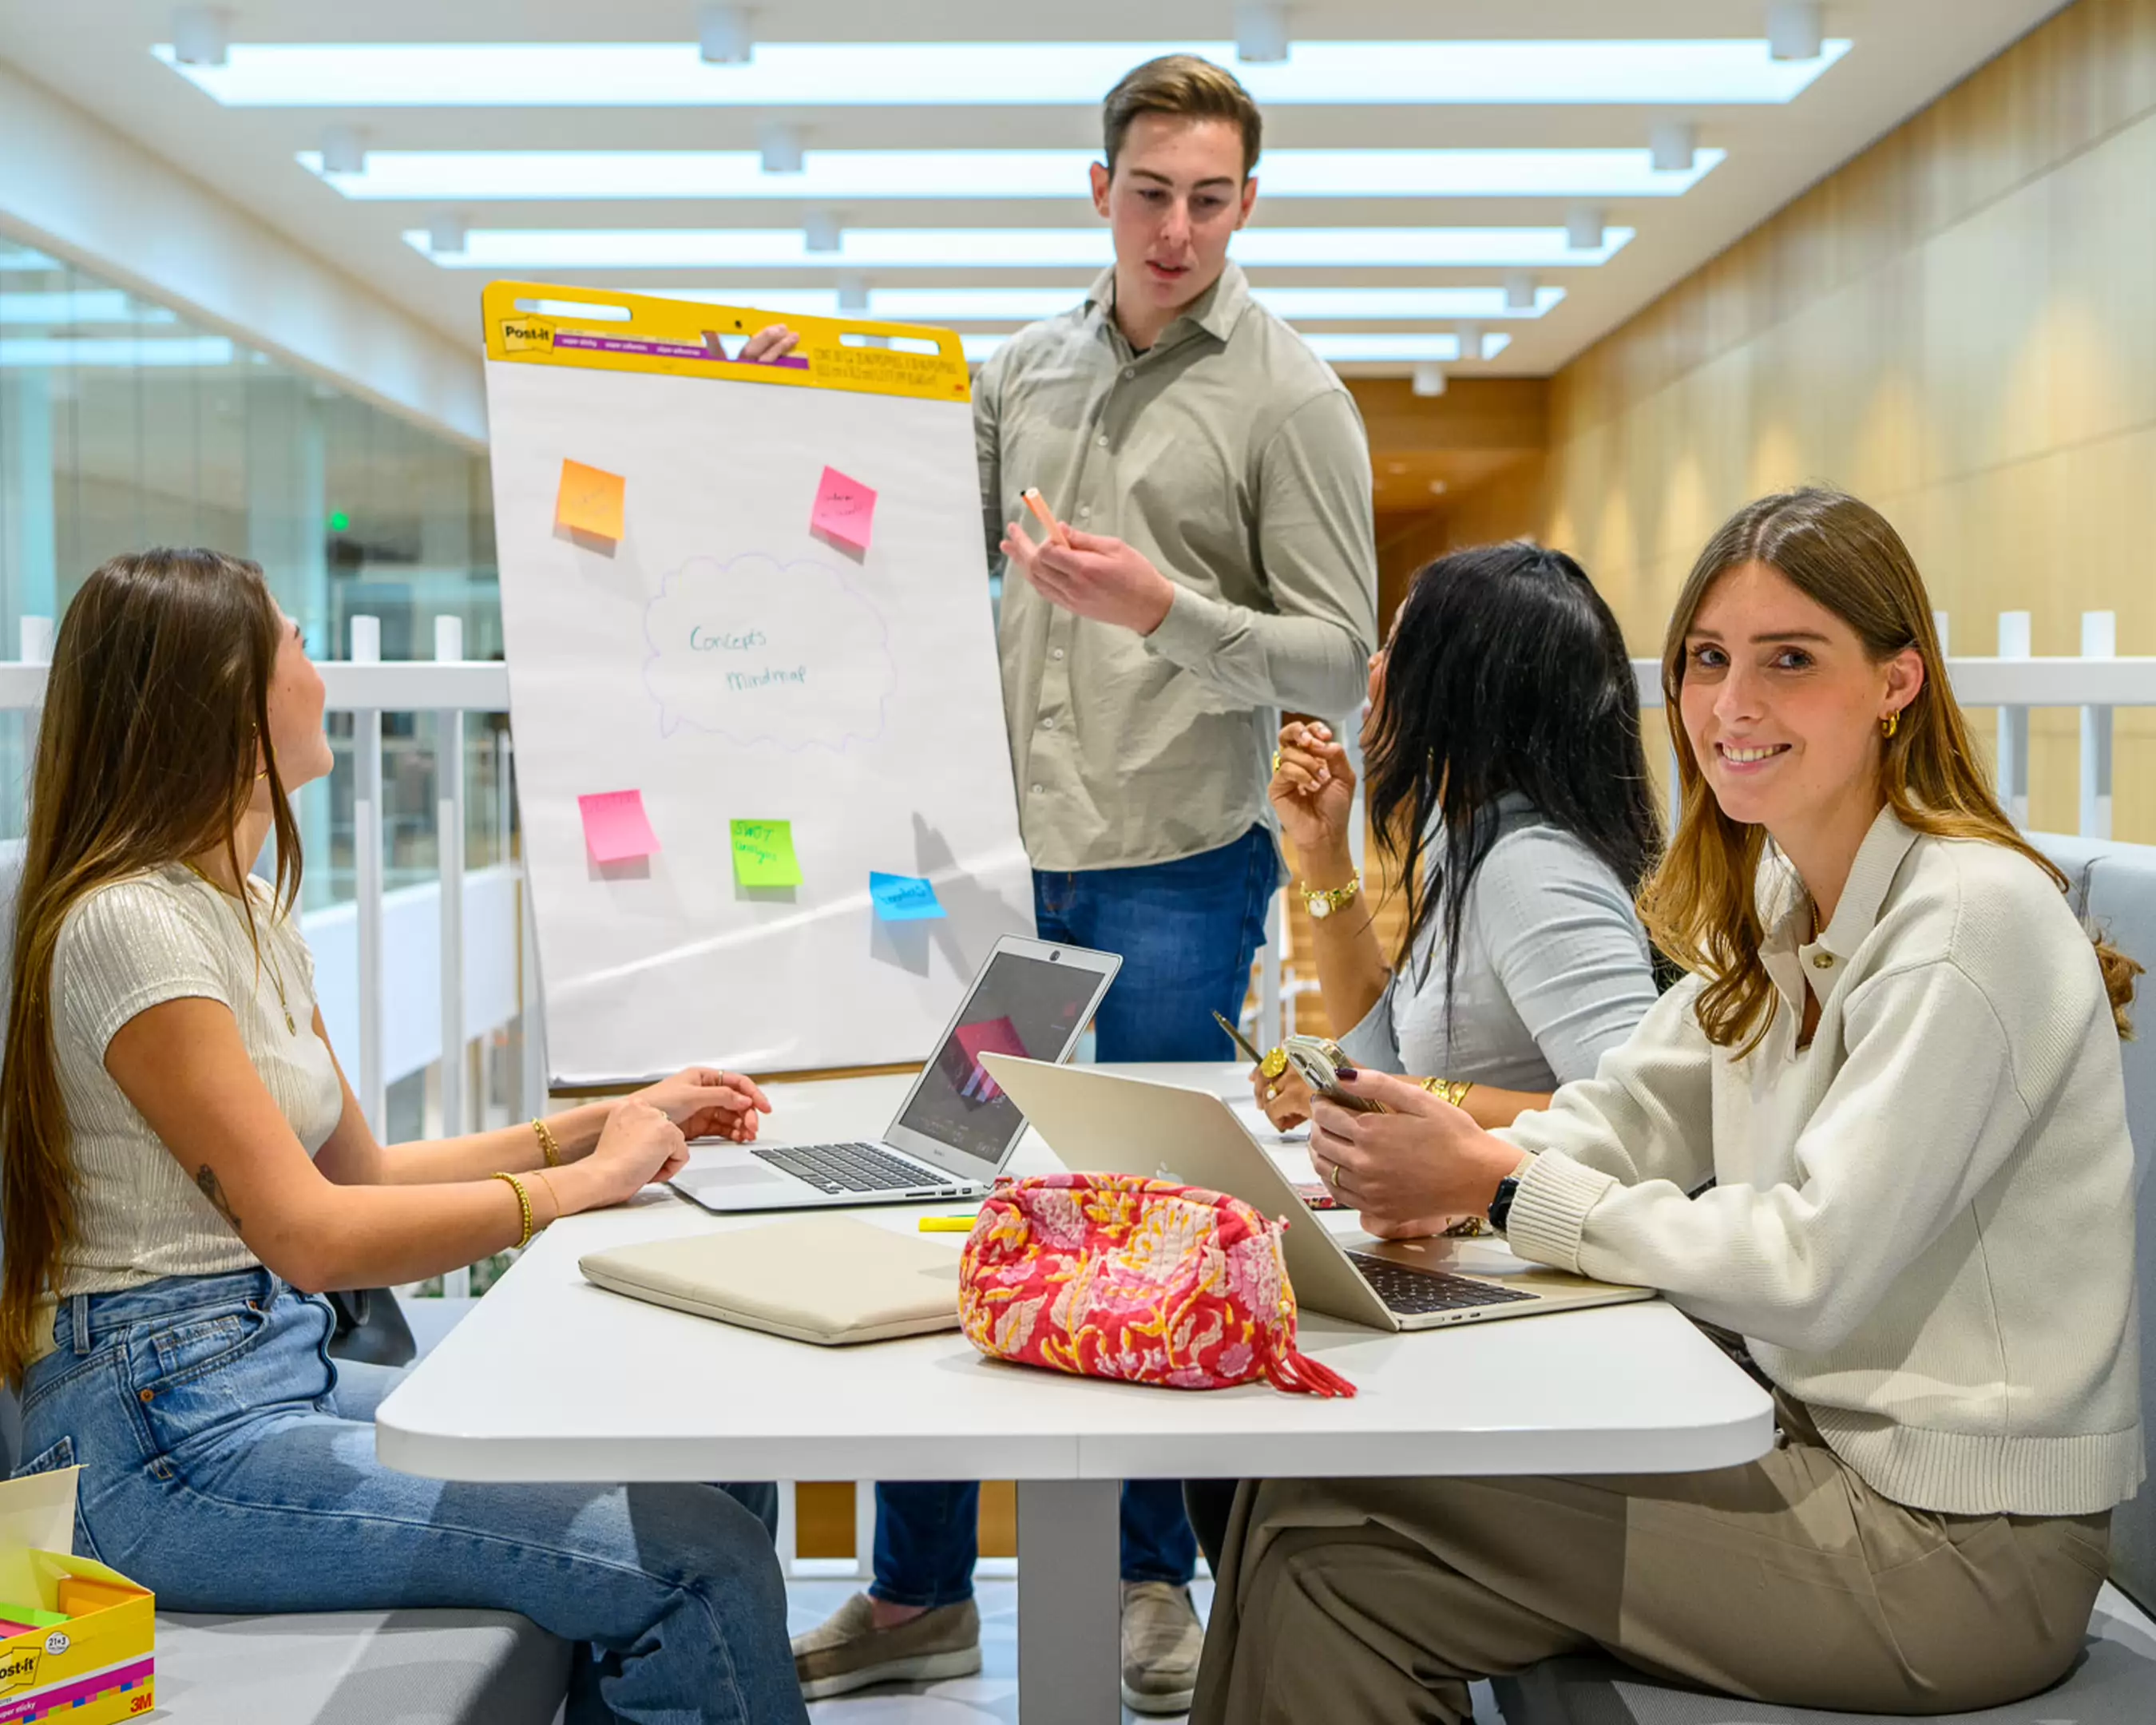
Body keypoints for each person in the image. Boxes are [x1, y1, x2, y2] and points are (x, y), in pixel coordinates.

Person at [1191, 487, 2146, 1723]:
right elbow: (1625, 1109)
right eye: (1707, 661)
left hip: (1962, 1557)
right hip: (1814, 1464)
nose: (1733, 706)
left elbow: (1813, 1264)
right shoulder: (1793, 904)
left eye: (1789, 661)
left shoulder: (1968, 919)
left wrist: (1498, 1184)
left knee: (1323, 1511)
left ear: (1896, 681)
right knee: (1314, 1538)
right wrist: (1466, 1165)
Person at [779, 51, 1378, 1714]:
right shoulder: (1020, 375)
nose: (1176, 227)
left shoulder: (1291, 398)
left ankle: (1144, 1576)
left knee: (1151, 1220)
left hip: (1180, 869)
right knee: (952, 1189)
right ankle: (916, 1595)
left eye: (1210, 197)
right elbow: (910, 568)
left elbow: (1339, 648)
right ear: (1099, 190)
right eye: (1149, 190)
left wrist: (1160, 611)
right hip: (991, 878)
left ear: (1246, 204)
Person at [2, 549, 809, 1725]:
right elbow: (317, 1239)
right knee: (697, 1562)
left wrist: (608, 1122)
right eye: (297, 645)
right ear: (224, 695)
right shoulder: (130, 929)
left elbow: (364, 1175)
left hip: (260, 1378)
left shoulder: (243, 909)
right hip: (158, 1445)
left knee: (701, 1457)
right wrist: (584, 1187)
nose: (319, 674)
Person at [1182, 541, 1664, 1568]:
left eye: (1397, 647)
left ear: (1460, 683)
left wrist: (1412, 1104)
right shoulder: (1471, 842)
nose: (1372, 674)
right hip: (1479, 1262)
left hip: (1543, 1297)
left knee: (1240, 1449)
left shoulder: (1533, 870)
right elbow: (1382, 1048)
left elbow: (1644, 1120)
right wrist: (1320, 855)